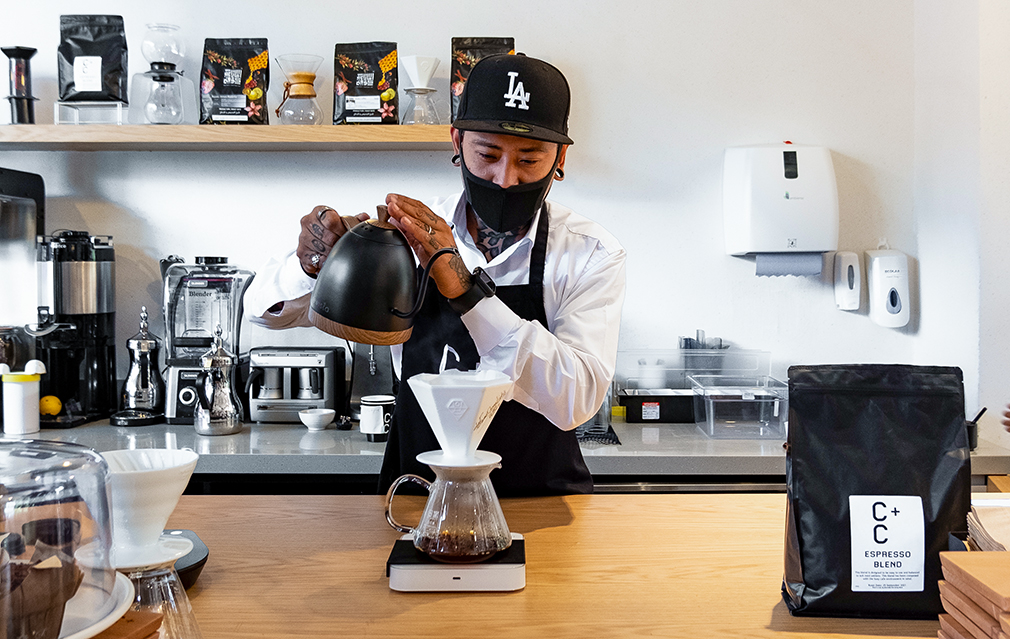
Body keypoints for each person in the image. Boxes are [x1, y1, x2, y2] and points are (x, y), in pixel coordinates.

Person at [244, 54, 627, 496]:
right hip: (418, 500)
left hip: (539, 503)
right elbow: (265, 313)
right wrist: (311, 265)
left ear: (560, 158)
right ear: (457, 141)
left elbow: (576, 398)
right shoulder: (408, 235)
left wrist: (465, 290)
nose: (505, 179)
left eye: (529, 159)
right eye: (487, 154)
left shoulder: (588, 252)